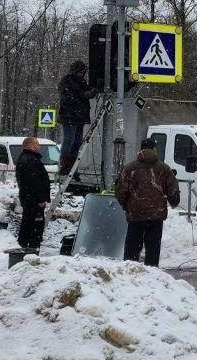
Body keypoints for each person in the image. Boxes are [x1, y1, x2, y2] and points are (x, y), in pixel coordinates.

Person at [115, 138, 181, 267]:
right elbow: (173, 191)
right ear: (154, 149)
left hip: (136, 215)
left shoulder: (129, 168)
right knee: (153, 249)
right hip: (156, 216)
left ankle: (129, 275)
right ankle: (152, 276)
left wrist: (126, 206)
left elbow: (120, 192)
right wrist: (174, 202)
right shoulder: (164, 168)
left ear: (141, 150)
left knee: (132, 249)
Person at [57, 60, 99, 178]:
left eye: (83, 72)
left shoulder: (82, 82)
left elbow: (86, 93)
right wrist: (83, 96)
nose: (82, 74)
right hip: (69, 116)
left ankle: (72, 164)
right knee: (69, 140)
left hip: (79, 117)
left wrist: (93, 91)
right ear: (75, 71)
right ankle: (65, 165)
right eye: (80, 72)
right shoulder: (66, 82)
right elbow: (69, 97)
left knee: (77, 141)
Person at [14, 137, 50, 251]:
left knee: (29, 222)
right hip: (33, 200)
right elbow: (34, 182)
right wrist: (41, 199)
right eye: (37, 144)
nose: (39, 147)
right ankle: (31, 249)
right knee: (34, 225)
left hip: (29, 197)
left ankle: (26, 246)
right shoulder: (30, 160)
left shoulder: (28, 158)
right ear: (30, 146)